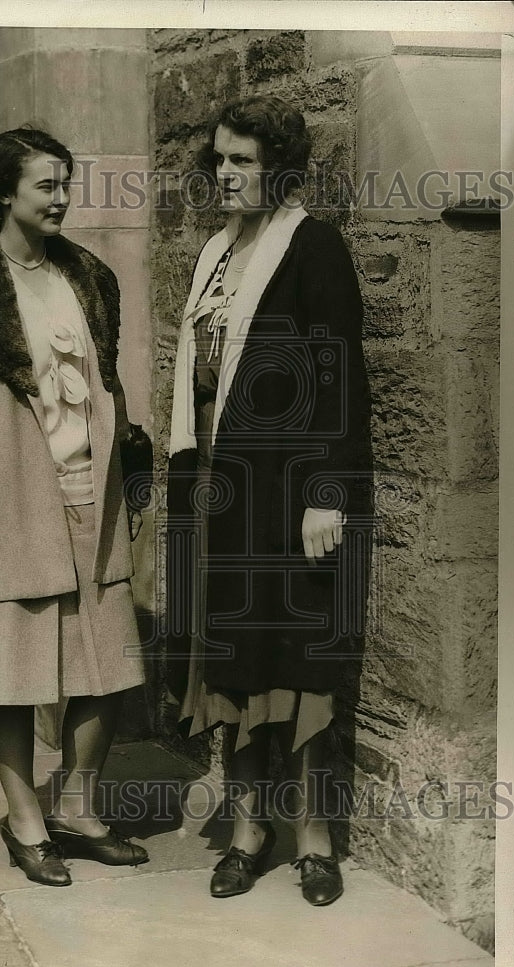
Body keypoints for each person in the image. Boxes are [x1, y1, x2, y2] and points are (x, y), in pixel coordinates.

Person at [0, 125, 150, 887]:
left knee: (104, 663)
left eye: (65, 183)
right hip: (16, 502)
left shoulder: (86, 275)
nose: (61, 198)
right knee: (13, 668)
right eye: (46, 185)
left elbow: (107, 383)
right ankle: (26, 824)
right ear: (5, 192)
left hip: (94, 497)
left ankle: (79, 809)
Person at [168, 95, 373, 905]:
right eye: (219, 159)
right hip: (222, 495)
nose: (226, 174)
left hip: (291, 496)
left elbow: (340, 377)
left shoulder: (313, 247)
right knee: (232, 666)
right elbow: (198, 378)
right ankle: (249, 832)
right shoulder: (214, 254)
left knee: (298, 666)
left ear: (278, 168)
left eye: (242, 161)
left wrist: (329, 489)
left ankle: (315, 842)